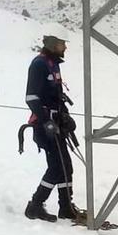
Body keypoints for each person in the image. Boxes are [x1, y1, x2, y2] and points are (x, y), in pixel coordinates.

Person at [24, 35, 81, 222]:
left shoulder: (53, 64)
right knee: (57, 167)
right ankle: (35, 205)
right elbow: (31, 97)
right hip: (44, 126)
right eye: (61, 44)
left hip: (56, 124)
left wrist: (65, 117)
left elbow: (56, 96)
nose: (64, 47)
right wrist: (46, 121)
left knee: (66, 166)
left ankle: (65, 207)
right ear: (52, 44)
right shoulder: (39, 64)